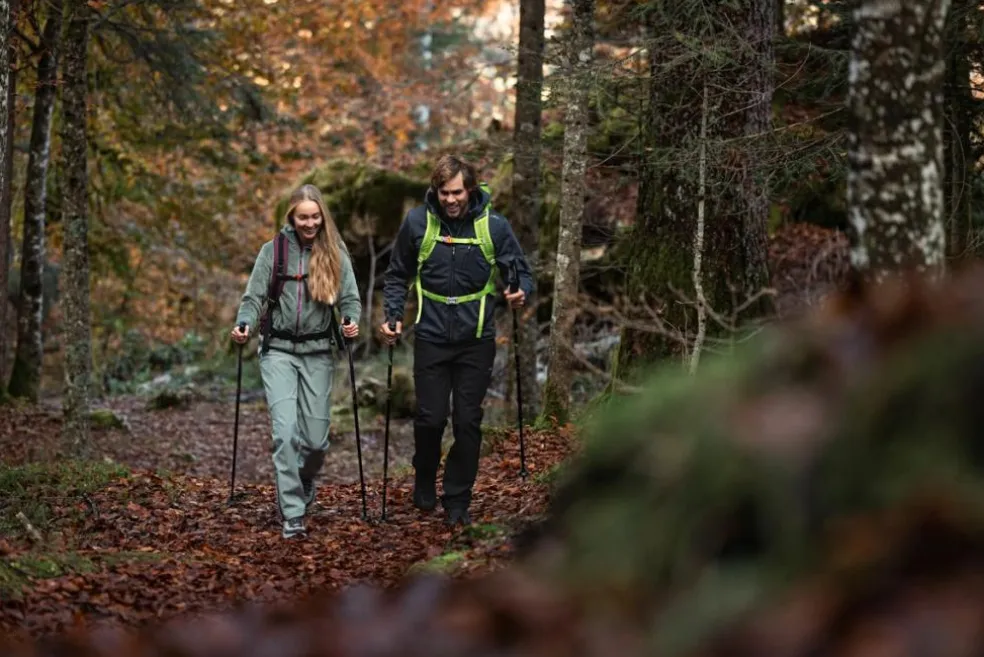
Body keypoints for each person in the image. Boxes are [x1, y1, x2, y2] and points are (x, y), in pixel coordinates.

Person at [380, 154, 533, 527]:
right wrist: (392, 315)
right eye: (444, 192)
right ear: (436, 191)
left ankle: (458, 498)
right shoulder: (418, 223)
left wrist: (519, 292)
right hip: (430, 336)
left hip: (476, 339)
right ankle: (423, 474)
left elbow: (521, 272)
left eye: (458, 192)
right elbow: (397, 274)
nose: (451, 200)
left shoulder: (493, 226)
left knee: (468, 422)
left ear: (472, 189)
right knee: (430, 419)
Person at [231, 184, 362, 540]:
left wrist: (351, 320)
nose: (309, 223)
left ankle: (304, 479)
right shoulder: (273, 252)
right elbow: (253, 298)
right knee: (285, 433)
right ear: (292, 216)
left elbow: (350, 298)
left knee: (317, 443)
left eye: (315, 216)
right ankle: (292, 513)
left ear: (323, 216)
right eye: (303, 217)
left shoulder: (334, 252)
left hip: (319, 352)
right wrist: (243, 323)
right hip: (279, 352)